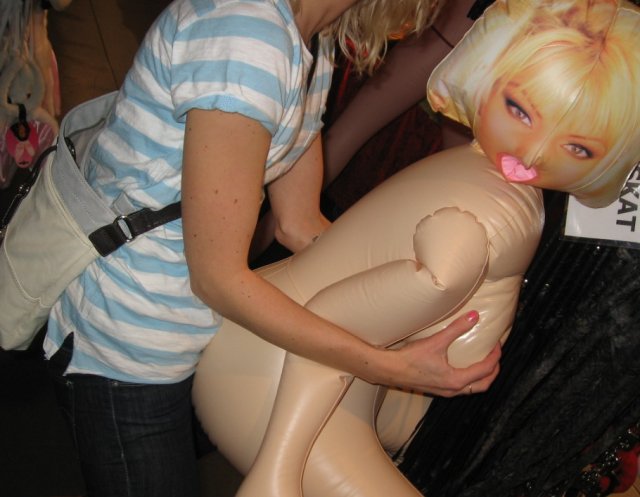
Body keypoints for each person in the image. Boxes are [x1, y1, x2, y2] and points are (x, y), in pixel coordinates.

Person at [42, 1, 502, 496]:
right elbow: (218, 279)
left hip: (192, 325)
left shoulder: (309, 39)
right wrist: (388, 365)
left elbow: (298, 225)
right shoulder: (248, 34)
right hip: (126, 342)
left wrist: (412, 313)